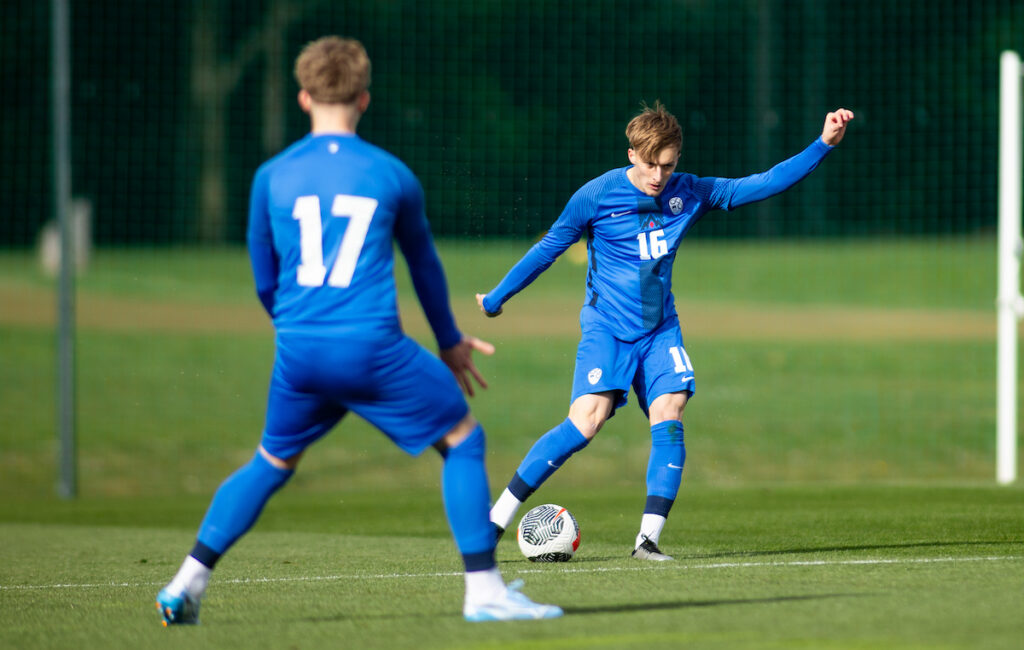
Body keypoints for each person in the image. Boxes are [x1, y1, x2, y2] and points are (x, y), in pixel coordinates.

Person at [156, 36, 562, 625]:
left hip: (298, 351)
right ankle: (484, 592)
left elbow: (265, 280)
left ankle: (186, 584)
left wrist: (302, 337)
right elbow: (424, 267)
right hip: (372, 349)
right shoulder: (391, 175)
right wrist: (449, 342)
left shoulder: (270, 176)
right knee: (463, 440)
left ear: (303, 97)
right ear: (364, 98)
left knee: (270, 462)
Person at [478, 102, 854, 560]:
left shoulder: (690, 192)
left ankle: (647, 541)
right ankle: (495, 520)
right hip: (607, 328)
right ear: (632, 154)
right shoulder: (596, 196)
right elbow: (548, 249)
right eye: (651, 164)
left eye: (669, 165)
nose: (659, 176)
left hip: (659, 330)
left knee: (670, 412)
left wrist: (822, 145)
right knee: (587, 421)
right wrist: (497, 298)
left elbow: (762, 183)